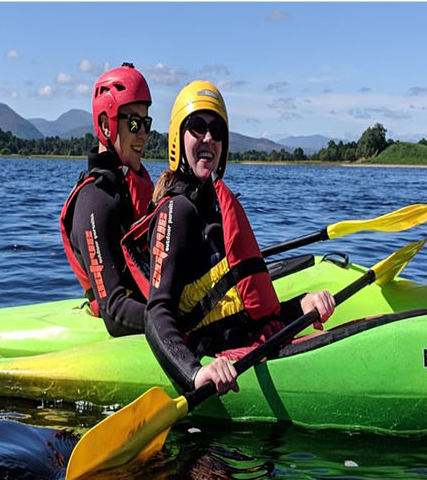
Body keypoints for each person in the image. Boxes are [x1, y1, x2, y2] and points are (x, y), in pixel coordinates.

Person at [124, 80, 335, 395]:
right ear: (177, 139)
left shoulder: (218, 210)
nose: (208, 137)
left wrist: (299, 307)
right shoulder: (177, 211)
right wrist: (195, 374)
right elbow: (157, 312)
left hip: (246, 346)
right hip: (212, 362)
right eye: (197, 127)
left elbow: (237, 308)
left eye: (217, 130)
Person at [59, 62, 154, 336]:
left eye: (146, 123)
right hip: (124, 323)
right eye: (134, 123)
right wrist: (183, 321)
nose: (143, 135)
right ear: (105, 124)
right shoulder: (95, 202)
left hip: (152, 305)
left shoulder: (127, 185)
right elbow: (114, 311)